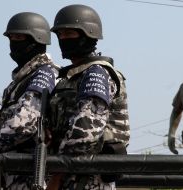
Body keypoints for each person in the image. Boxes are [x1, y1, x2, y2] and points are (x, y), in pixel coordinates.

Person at [0, 12, 59, 190]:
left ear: (37, 40)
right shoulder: (21, 80)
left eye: (19, 37)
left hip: (31, 175)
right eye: (11, 38)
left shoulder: (44, 74)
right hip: (13, 174)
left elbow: (25, 123)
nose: (14, 43)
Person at [46, 4, 130, 190]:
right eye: (60, 34)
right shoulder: (69, 77)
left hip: (88, 178)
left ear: (88, 34)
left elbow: (86, 133)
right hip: (68, 174)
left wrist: (57, 175)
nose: (63, 39)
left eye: (69, 34)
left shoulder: (96, 73)